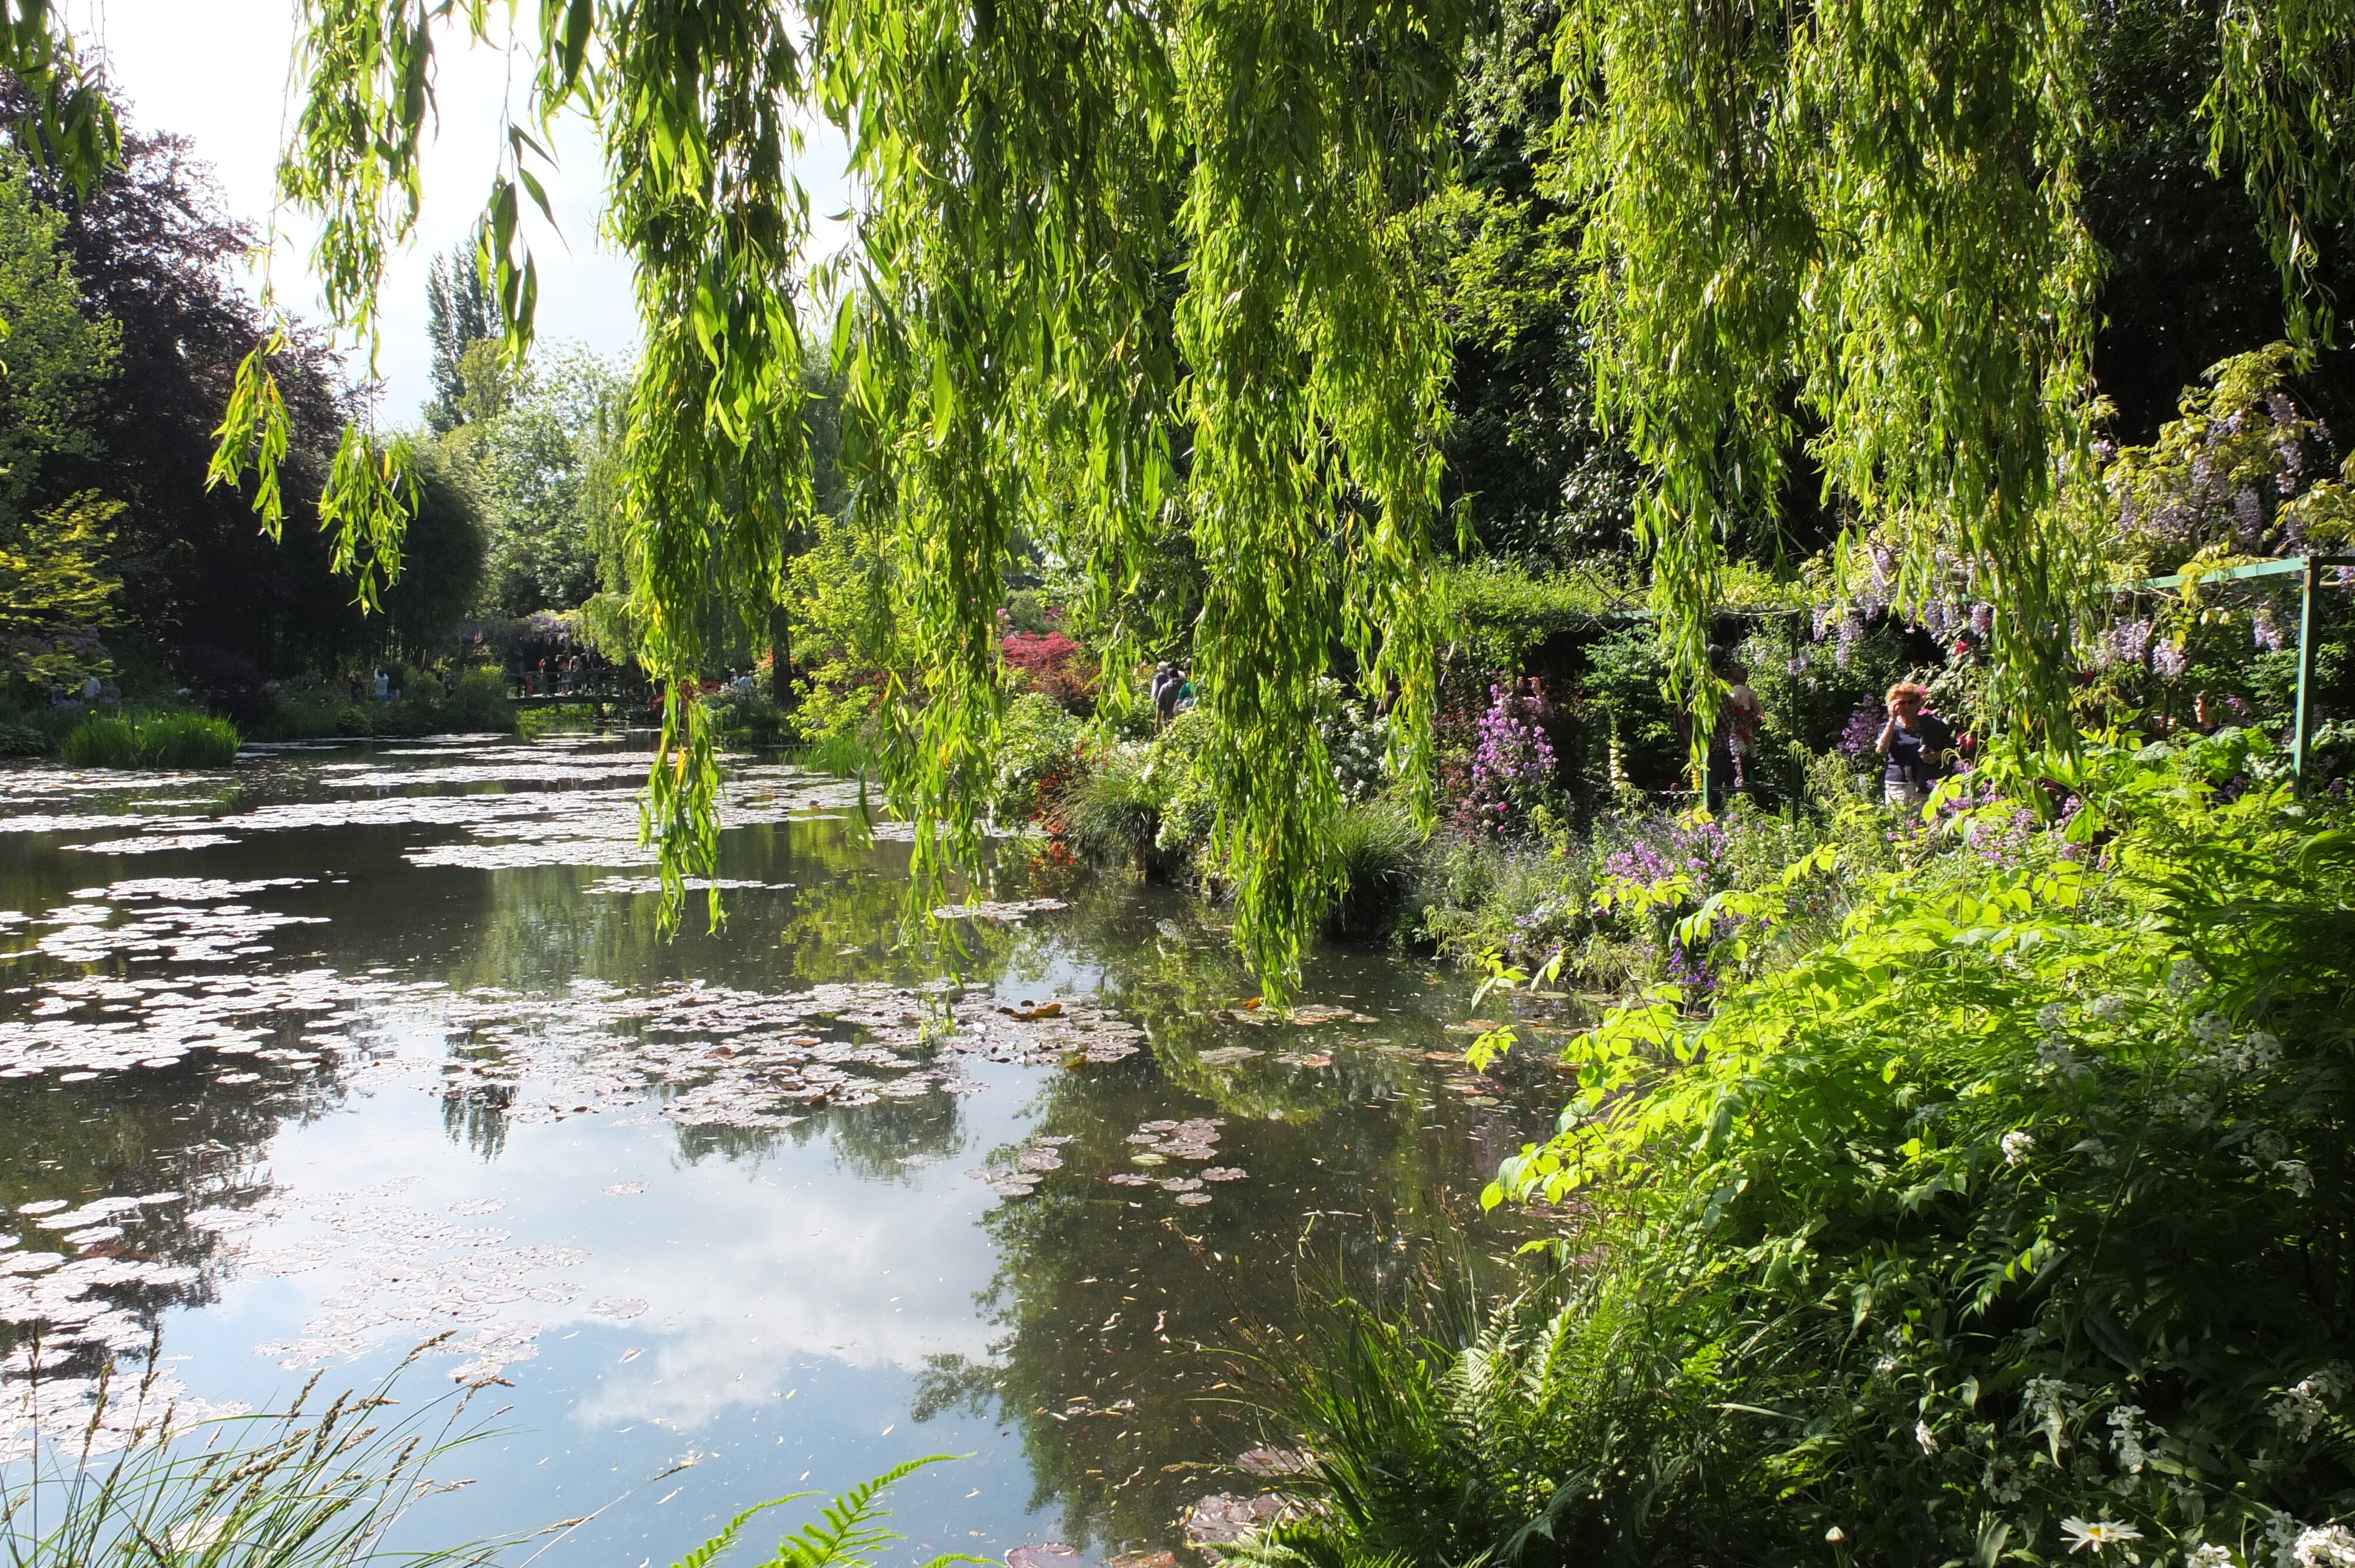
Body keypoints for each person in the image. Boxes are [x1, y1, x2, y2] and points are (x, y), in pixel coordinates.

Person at [1876, 681, 1953, 808]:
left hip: (1929, 784)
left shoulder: (1933, 724)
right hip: (1899, 786)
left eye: (1911, 702)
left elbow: (1952, 748)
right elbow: (1881, 750)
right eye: (1901, 703)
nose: (1906, 706)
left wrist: (1938, 755)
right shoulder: (1889, 727)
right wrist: (1892, 720)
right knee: (1902, 825)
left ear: (1918, 703)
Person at [1723, 661, 1763, 792]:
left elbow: (1732, 702)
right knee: (1746, 735)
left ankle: (1741, 746)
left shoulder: (1734, 690)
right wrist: (1759, 713)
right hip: (1747, 717)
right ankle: (1750, 746)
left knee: (1736, 734)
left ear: (1731, 680)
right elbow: (1757, 706)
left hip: (1737, 718)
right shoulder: (1749, 691)